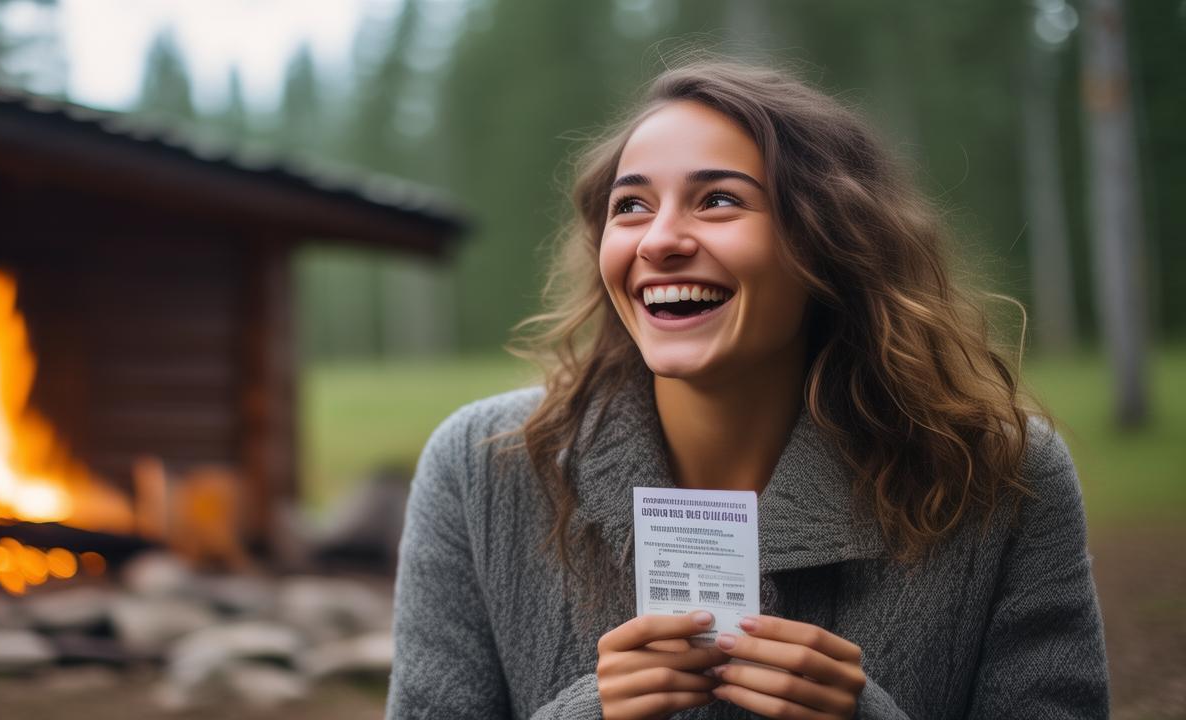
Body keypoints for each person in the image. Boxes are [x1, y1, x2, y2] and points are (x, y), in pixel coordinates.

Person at [386, 58, 1108, 719]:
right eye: (630, 206)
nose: (658, 240)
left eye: (719, 201)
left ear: (829, 240)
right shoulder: (481, 466)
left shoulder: (1003, 476)